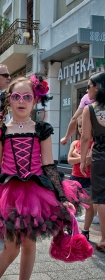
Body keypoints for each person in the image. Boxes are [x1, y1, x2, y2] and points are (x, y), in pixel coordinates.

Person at [0, 75, 90, 279]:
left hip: (36, 194)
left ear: (35, 100)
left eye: (27, 97)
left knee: (29, 245)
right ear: (9, 99)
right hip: (7, 194)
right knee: (11, 249)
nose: (21, 101)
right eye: (16, 96)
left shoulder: (41, 129)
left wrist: (62, 197)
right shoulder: (1, 131)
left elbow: (48, 165)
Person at [80, 72, 105, 252]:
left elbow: (85, 137)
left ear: (97, 87)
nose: (87, 89)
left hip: (100, 157)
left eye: (89, 85)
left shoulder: (90, 109)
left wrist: (82, 160)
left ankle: (104, 239)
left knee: (102, 199)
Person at [67, 115, 97, 240]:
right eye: (79, 126)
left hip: (88, 178)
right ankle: (70, 227)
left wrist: (76, 155)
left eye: (84, 126)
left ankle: (85, 230)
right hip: (74, 177)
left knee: (88, 205)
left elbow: (89, 161)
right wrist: (81, 158)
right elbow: (69, 160)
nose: (81, 129)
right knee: (71, 204)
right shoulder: (75, 143)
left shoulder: (95, 144)